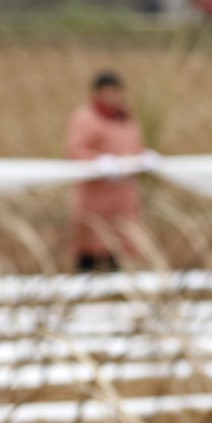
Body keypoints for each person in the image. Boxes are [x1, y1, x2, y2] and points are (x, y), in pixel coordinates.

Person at [64, 70, 148, 272]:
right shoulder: (85, 118)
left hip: (122, 194)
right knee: (90, 242)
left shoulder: (126, 118)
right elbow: (75, 149)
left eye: (116, 92)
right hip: (95, 194)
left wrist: (143, 158)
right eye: (108, 92)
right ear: (97, 93)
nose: (113, 97)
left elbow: (136, 147)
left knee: (117, 243)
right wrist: (101, 163)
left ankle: (113, 288)